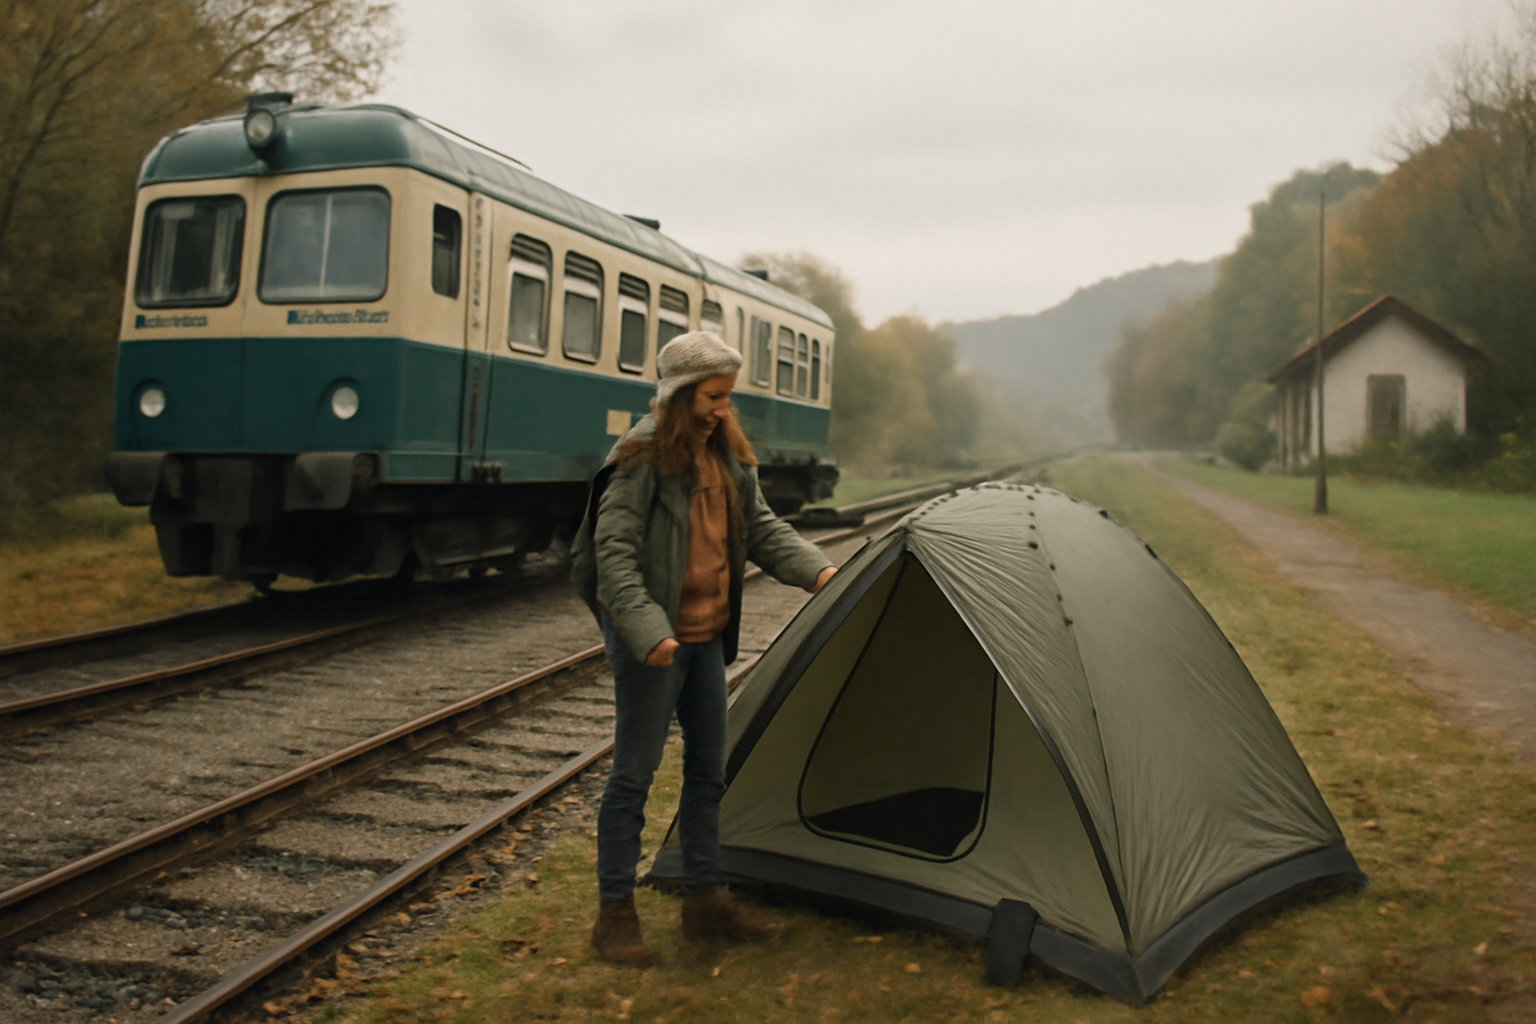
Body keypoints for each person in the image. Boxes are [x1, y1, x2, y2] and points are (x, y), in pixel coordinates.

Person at [571, 330, 836, 966]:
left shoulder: (728, 457)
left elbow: (763, 528)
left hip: (707, 639)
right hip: (656, 646)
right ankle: (614, 914)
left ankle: (704, 903)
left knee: (708, 772)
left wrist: (821, 572)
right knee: (632, 777)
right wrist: (647, 631)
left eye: (728, 396)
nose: (723, 408)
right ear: (680, 393)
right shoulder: (638, 461)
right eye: (713, 396)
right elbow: (614, 558)